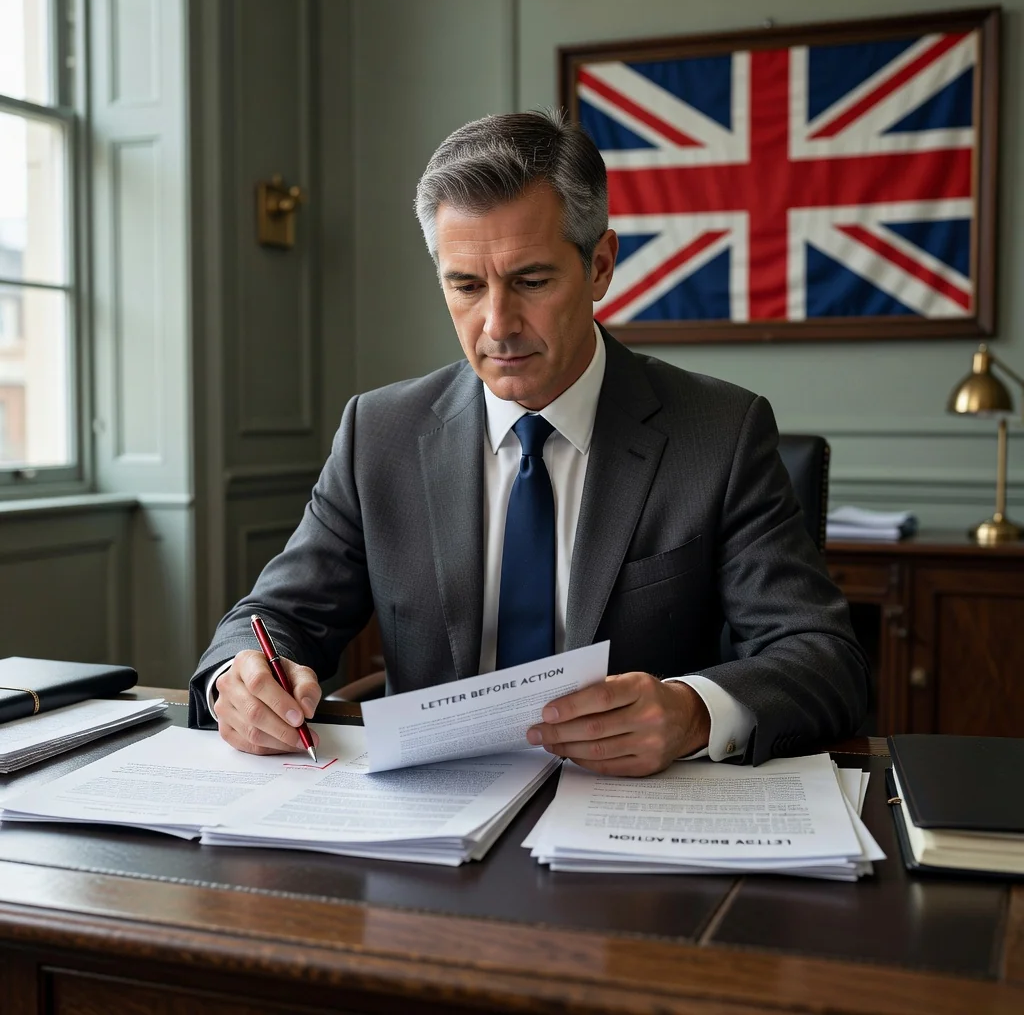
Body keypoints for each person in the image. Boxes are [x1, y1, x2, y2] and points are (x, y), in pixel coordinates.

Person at [188, 110, 868, 772]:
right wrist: (238, 681)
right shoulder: (380, 433)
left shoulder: (718, 433)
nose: (497, 325)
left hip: (630, 822)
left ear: (600, 265)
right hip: (428, 827)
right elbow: (273, 617)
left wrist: (693, 711)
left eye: (531, 281)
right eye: (465, 285)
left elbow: (820, 655)